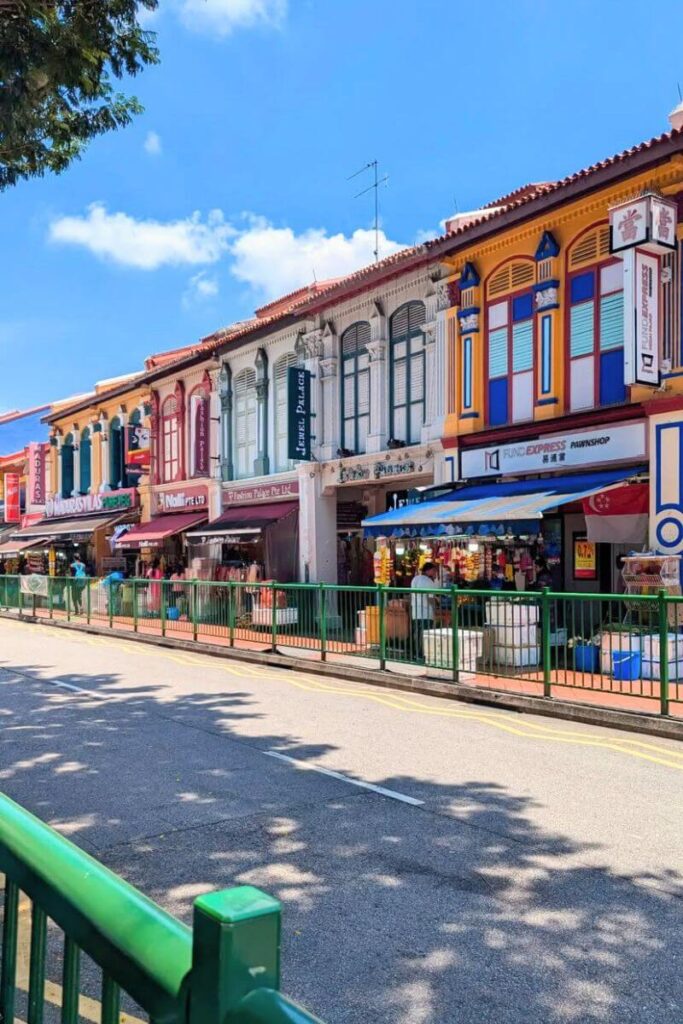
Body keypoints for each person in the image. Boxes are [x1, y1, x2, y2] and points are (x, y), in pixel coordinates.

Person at [410, 561, 439, 661]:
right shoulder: (428, 582)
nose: (435, 573)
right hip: (426, 612)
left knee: (416, 633)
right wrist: (435, 609)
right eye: (434, 571)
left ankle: (415, 654)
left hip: (416, 611)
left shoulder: (415, 579)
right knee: (425, 634)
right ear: (429, 571)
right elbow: (430, 598)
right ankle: (422, 655)